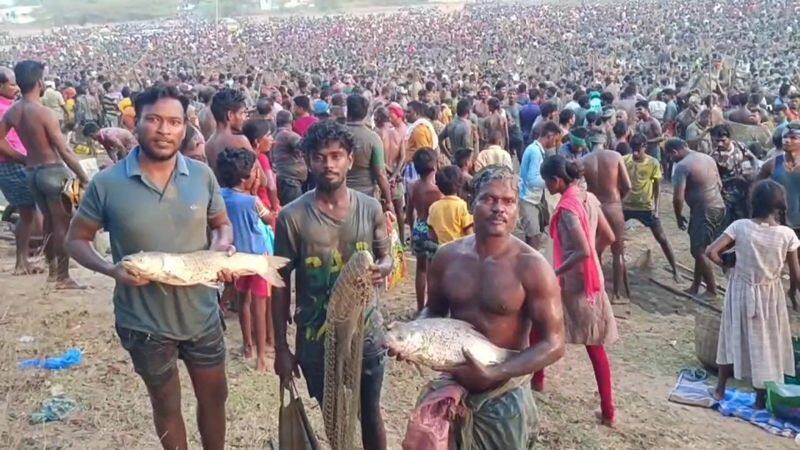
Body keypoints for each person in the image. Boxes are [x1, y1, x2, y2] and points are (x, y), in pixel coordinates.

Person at [66, 84, 234, 450]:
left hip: (200, 316)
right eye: (154, 120)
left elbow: (221, 224)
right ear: (135, 123)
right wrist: (111, 270)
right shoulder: (108, 183)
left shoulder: (202, 176)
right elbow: (75, 240)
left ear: (185, 128)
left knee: (214, 398)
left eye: (174, 122)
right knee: (166, 404)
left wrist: (220, 252)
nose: (164, 129)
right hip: (144, 323)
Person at [398, 165, 564, 448]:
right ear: (471, 201)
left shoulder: (532, 267)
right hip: (451, 385)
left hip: (503, 394)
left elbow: (554, 343)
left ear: (516, 209)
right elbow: (433, 310)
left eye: (508, 201)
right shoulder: (447, 257)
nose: (499, 208)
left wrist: (497, 372)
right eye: (489, 198)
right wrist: (414, 337)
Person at [272, 120, 393, 450]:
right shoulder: (292, 217)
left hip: (365, 334)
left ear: (350, 159)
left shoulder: (369, 208)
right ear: (308, 161)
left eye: (336, 156)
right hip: (315, 337)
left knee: (369, 413)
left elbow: (387, 257)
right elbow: (279, 283)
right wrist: (282, 349)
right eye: (320, 157)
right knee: (335, 418)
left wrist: (382, 268)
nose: (329, 164)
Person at [538, 155, 618, 426]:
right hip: (590, 277)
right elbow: (607, 236)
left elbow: (581, 249)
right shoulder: (588, 198)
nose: (546, 187)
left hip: (574, 283)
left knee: (543, 327)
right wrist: (594, 259)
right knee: (593, 346)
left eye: (546, 182)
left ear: (556, 181)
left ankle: (537, 382)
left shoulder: (568, 208)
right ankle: (608, 411)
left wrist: (556, 270)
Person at [706, 179, 799, 409]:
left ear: (753, 202)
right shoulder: (787, 235)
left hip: (740, 290)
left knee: (731, 335)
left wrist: (727, 263)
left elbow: (711, 251)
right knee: (766, 343)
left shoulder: (740, 226)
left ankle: (720, 389)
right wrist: (792, 292)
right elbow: (796, 274)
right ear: (779, 206)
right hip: (771, 295)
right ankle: (760, 398)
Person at [0, 60, 89, 289]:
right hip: (54, 171)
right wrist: (83, 176)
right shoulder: (44, 112)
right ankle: (62, 276)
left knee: (49, 222)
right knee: (64, 224)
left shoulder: (13, 111)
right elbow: (65, 149)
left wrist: (22, 158)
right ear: (40, 82)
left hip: (32, 173)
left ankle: (53, 272)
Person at [217, 147, 276, 373]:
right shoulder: (252, 202)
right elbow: (270, 219)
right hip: (258, 258)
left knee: (243, 302)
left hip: (236, 257)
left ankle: (247, 346)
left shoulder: (220, 197)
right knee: (260, 305)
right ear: (245, 176)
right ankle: (262, 356)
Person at [665, 138, 725, 298]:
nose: (671, 160)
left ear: (674, 152)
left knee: (698, 251)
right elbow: (719, 183)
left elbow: (677, 198)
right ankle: (696, 285)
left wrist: (678, 216)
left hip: (705, 209)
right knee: (700, 247)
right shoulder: (707, 158)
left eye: (670, 157)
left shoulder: (682, 166)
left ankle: (711, 290)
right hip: (717, 206)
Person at [581, 129, 632, 301]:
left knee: (596, 251)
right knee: (618, 251)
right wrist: (619, 201)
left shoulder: (584, 160)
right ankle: (616, 293)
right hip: (613, 206)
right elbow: (628, 186)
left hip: (595, 207)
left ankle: (598, 290)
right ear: (605, 142)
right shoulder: (616, 156)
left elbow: (579, 187)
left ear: (589, 143)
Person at [0, 66, 42, 275]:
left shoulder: (10, 105)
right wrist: (24, 159)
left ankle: (24, 260)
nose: (16, 88)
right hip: (11, 165)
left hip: (18, 163)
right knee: (28, 211)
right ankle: (21, 261)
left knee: (28, 213)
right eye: (11, 84)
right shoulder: (2, 108)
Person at [623, 133, 680, 281]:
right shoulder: (624, 161)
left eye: (638, 149)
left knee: (662, 238)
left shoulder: (653, 163)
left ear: (645, 147)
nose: (635, 153)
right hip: (626, 206)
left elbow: (657, 188)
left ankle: (675, 270)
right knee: (612, 236)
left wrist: (656, 209)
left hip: (646, 207)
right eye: (633, 149)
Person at [406, 148, 443, 311]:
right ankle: (432, 306)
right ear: (435, 166)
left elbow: (408, 213)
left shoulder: (412, 186)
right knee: (433, 271)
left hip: (418, 228)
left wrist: (412, 232)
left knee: (420, 269)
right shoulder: (437, 191)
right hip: (432, 230)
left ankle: (420, 306)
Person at [345, 94, 393, 214]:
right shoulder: (372, 138)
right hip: (366, 195)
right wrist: (388, 201)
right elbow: (380, 174)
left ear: (347, 111)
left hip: (339, 194)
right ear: (366, 113)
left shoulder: (336, 134)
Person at [517, 121, 560, 250]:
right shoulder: (535, 152)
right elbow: (531, 179)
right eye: (555, 140)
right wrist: (550, 183)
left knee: (533, 235)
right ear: (550, 136)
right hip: (528, 199)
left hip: (534, 198)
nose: (555, 143)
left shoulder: (535, 149)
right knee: (534, 237)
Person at [375, 105, 406, 243]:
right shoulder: (397, 133)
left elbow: (379, 161)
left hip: (382, 179)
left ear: (377, 119)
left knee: (383, 212)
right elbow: (403, 157)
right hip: (396, 179)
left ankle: (385, 242)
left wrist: (390, 175)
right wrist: (395, 174)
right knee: (399, 212)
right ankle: (402, 240)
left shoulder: (376, 135)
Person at [205, 88, 252, 175]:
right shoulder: (240, 141)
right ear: (230, 115)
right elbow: (262, 179)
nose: (244, 118)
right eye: (242, 113)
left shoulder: (207, 145)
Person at [427, 165, 473, 244]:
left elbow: (431, 235)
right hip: (460, 250)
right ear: (460, 184)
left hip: (442, 250)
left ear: (438, 185)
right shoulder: (461, 206)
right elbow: (469, 234)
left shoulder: (434, 207)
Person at [271, 110, 306, 206]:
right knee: (294, 211)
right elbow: (305, 147)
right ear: (293, 122)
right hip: (290, 181)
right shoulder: (289, 135)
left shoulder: (273, 135)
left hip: (280, 178)